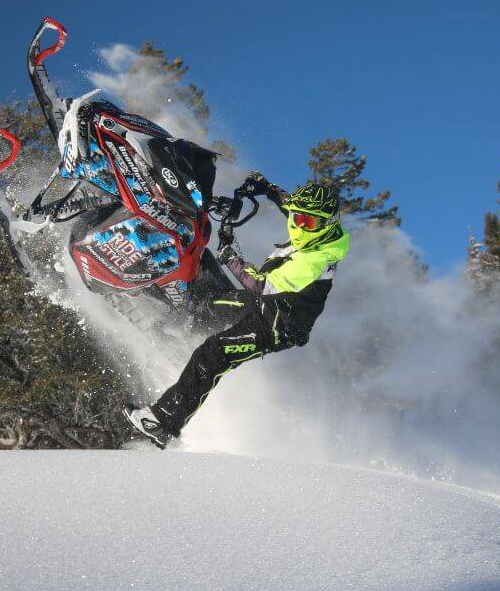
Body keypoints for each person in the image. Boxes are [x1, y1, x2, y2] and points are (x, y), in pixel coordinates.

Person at [123, 174, 351, 448]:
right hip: (269, 304)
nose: (299, 227)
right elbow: (290, 204)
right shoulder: (317, 227)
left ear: (325, 226)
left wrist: (229, 255)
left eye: (308, 223)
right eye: (296, 219)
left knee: (215, 352)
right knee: (209, 297)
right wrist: (267, 187)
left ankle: (162, 421)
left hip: (278, 326)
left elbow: (259, 284)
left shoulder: (316, 261)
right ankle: (177, 323)